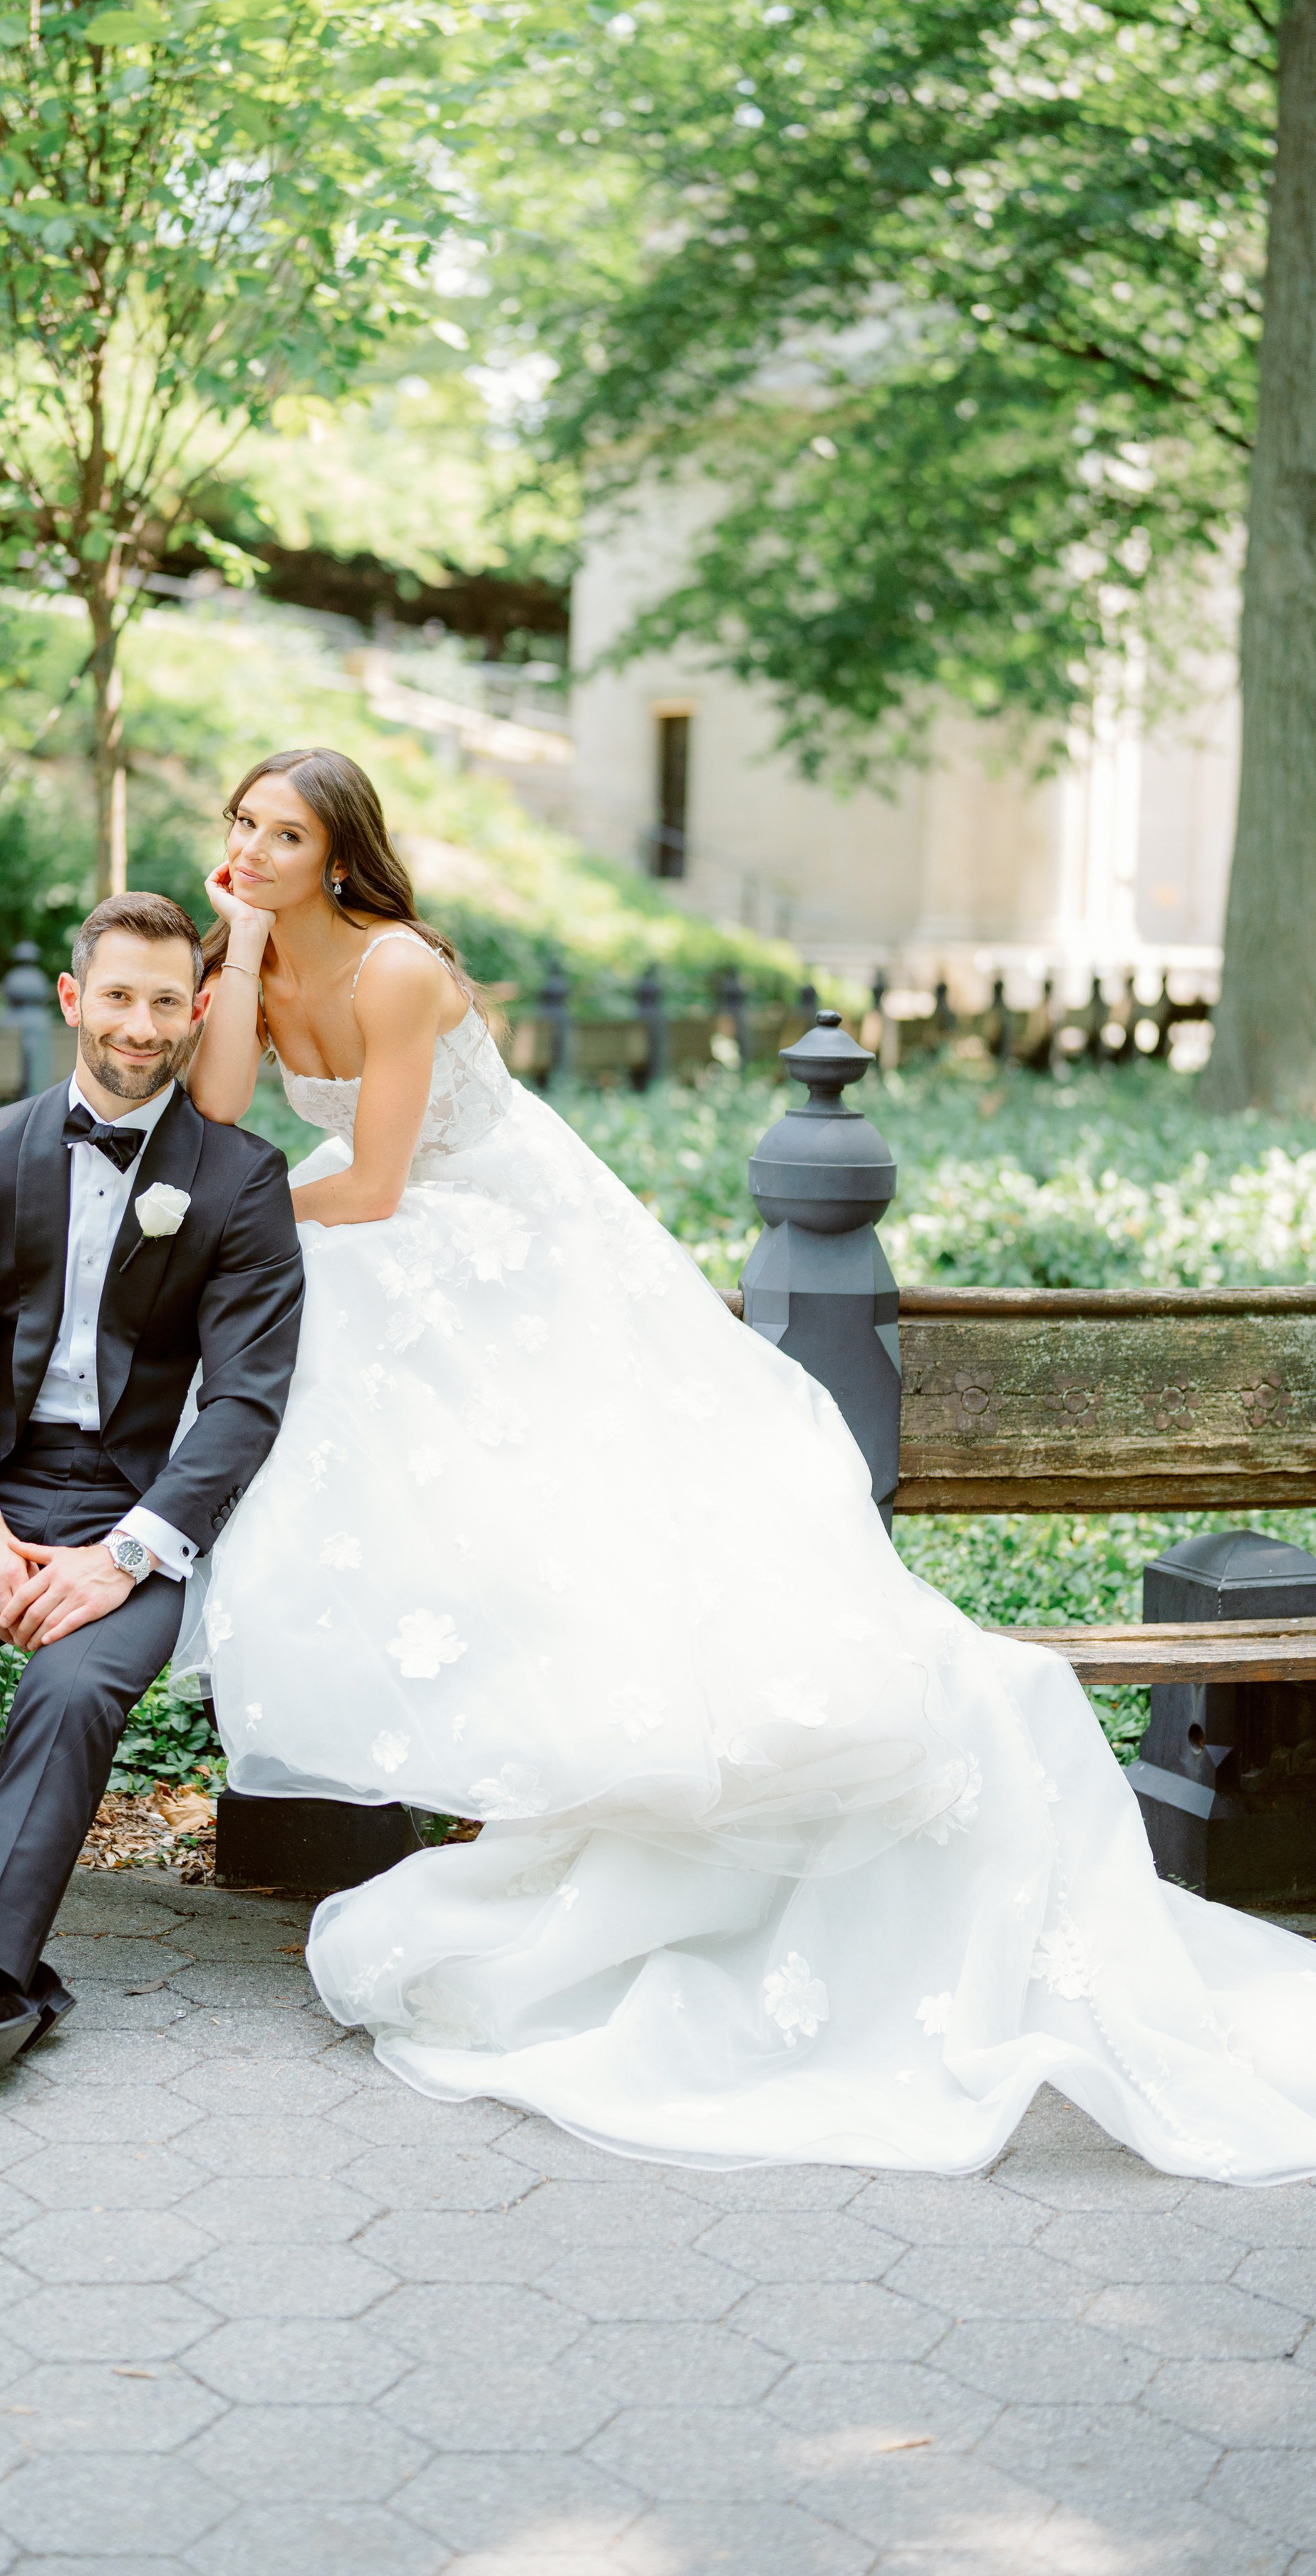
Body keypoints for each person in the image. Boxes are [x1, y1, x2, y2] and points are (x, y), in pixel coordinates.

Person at [184, 747, 1316, 2181]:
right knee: (429, 1523)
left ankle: (634, 1811)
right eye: (242, 827)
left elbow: (379, 1180)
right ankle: (520, 1803)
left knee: (598, 1522)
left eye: (283, 836)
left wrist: (220, 1229)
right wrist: (231, 942)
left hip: (500, 1243)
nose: (254, 848)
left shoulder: (399, 969)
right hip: (378, 1256)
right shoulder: (259, 951)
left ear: (341, 857)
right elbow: (223, 1111)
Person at [0, 892, 304, 2112]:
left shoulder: (242, 1181)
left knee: (75, 1682)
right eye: (118, 997)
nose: (139, 1027)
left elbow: (247, 1402)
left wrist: (125, 1557)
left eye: (164, 1001)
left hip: (140, 1504)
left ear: (199, 1011)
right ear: (74, 1000)